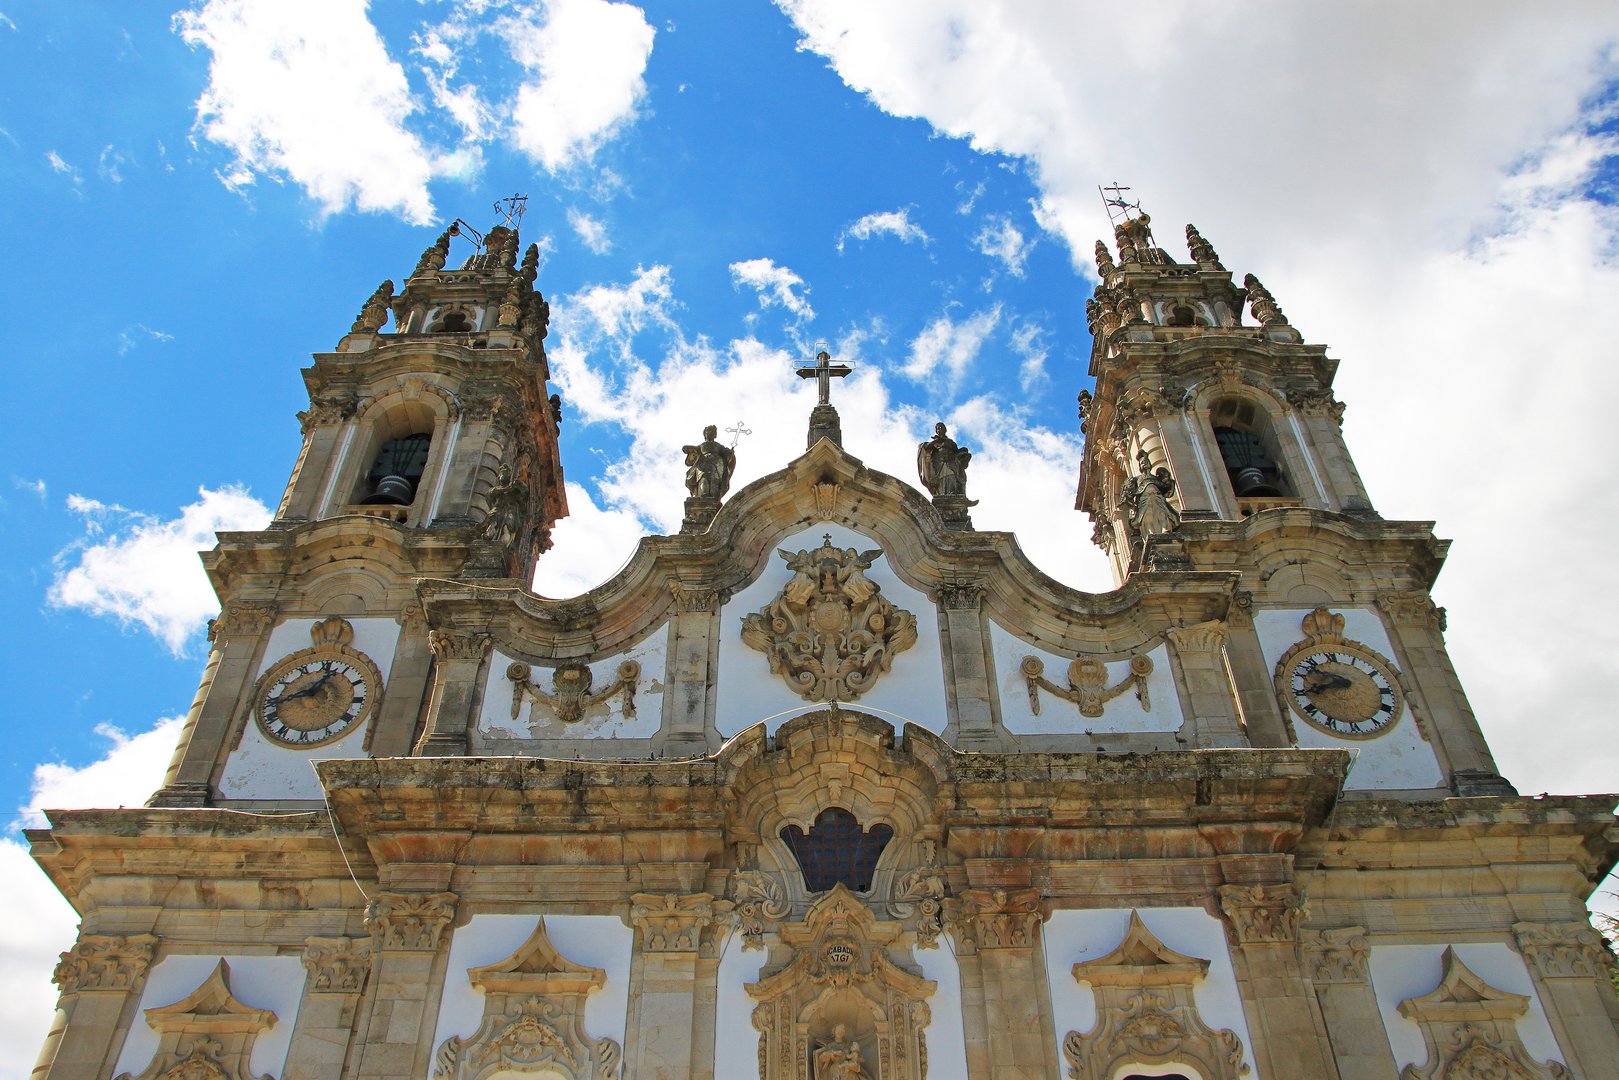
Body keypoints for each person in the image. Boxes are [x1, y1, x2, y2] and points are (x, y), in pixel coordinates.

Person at [1123, 450, 1180, 537]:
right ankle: (1150, 534)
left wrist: (1168, 481)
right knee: (1147, 517)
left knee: (1162, 514)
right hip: (1144, 501)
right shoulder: (1137, 479)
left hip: (1157, 499)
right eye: (1142, 462)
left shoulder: (1156, 478)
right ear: (1140, 466)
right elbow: (1130, 494)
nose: (1145, 464)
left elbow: (1166, 489)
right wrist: (1128, 492)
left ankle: (1165, 530)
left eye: (1146, 462)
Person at [916, 422, 971, 498]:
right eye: (938, 428)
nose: (940, 429)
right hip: (939, 463)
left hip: (951, 462)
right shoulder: (935, 441)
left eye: (942, 427)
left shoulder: (950, 442)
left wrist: (964, 453)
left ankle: (953, 493)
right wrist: (936, 441)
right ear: (936, 431)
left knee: (951, 476)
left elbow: (956, 452)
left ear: (945, 429)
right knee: (942, 479)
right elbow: (926, 447)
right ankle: (942, 494)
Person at [683, 424, 736, 499]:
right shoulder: (701, 446)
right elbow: (692, 455)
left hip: (716, 466)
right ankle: (702, 495)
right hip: (702, 466)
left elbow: (726, 454)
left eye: (713, 432)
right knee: (703, 479)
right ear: (705, 434)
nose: (710, 433)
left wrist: (729, 453)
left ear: (715, 435)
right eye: (708, 431)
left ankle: (713, 496)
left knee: (714, 481)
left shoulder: (718, 446)